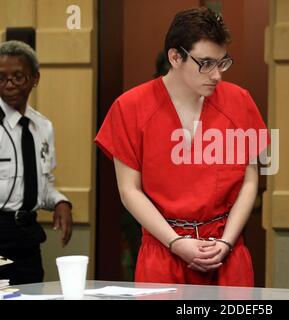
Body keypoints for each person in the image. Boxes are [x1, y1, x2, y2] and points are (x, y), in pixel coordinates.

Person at [95, 7, 268, 286]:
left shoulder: (240, 102)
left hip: (225, 247)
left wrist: (226, 240)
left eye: (222, 63)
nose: (216, 75)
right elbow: (129, 190)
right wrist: (175, 241)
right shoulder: (130, 108)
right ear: (175, 57)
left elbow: (250, 179)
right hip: (162, 247)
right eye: (206, 63)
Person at [0, 40, 73, 285]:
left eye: (18, 77)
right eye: (1, 78)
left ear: (35, 78)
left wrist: (60, 201)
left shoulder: (42, 126)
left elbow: (44, 182)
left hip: (27, 238)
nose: (9, 84)